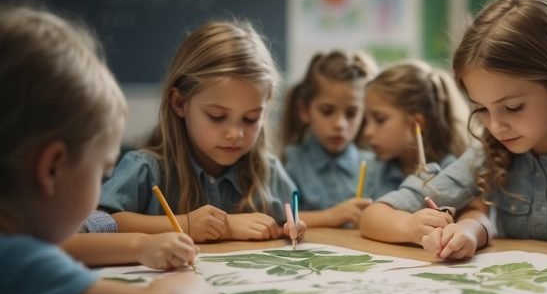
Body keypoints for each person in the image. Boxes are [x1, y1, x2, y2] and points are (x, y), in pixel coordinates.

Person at [0, 5, 221, 294]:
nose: (102, 190)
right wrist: (192, 286)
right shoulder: (19, 261)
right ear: (52, 168)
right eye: (102, 172)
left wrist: (139, 247)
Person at [361, 0, 547, 260]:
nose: (495, 126)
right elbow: (374, 216)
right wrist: (412, 227)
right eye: (481, 109)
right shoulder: (489, 150)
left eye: (513, 107)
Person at [101, 20, 304, 242]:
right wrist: (188, 225)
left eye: (251, 118)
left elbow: (292, 218)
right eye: (217, 116)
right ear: (180, 104)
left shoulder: (268, 173)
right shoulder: (147, 170)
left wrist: (291, 226)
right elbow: (98, 223)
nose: (235, 133)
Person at [281, 50, 377, 227]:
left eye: (351, 113)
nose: (340, 124)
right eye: (327, 111)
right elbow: (278, 218)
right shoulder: (290, 162)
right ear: (304, 110)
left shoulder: (375, 166)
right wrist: (331, 216)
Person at [359, 60, 468, 199]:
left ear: (416, 124)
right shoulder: (373, 170)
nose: (367, 132)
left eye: (380, 119)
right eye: (366, 120)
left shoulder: (452, 172)